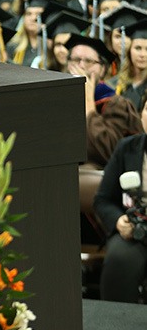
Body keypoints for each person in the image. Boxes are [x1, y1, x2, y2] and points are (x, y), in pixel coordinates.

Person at [66, 34, 143, 169]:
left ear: (102, 69)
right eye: (76, 60)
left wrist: (88, 99)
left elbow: (108, 152)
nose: (81, 66)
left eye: (89, 61)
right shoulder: (58, 102)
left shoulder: (116, 104)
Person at [94, 124, 147, 303]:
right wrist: (118, 221)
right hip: (134, 232)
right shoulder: (126, 148)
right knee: (119, 260)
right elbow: (102, 200)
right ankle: (118, 327)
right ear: (141, 114)